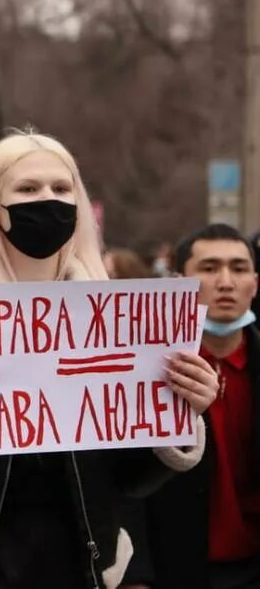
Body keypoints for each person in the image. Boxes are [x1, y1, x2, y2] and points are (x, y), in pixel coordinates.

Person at [0, 131, 219, 588]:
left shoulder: (118, 320)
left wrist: (179, 413)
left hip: (78, 564)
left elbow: (132, 480)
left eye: (62, 189)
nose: (48, 200)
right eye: (27, 189)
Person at [122, 224, 260, 589]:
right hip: (174, 568)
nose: (226, 282)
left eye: (239, 268)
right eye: (210, 268)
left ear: (255, 283)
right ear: (179, 281)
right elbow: (125, 482)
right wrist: (135, 575)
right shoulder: (143, 369)